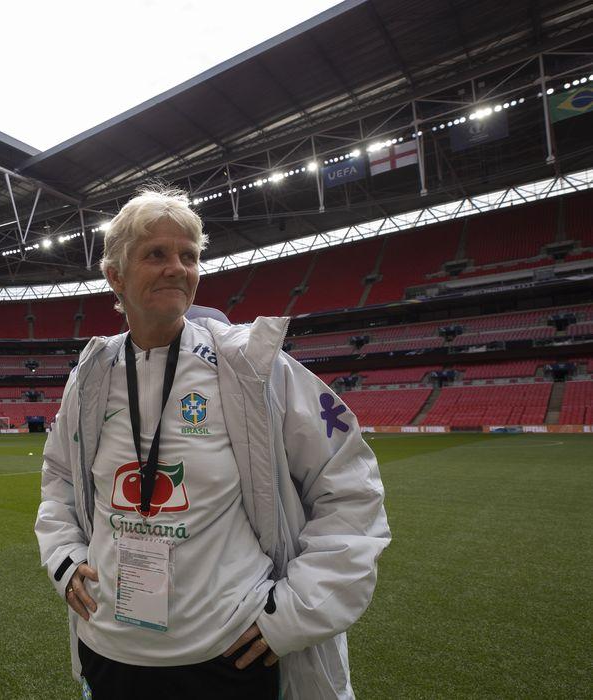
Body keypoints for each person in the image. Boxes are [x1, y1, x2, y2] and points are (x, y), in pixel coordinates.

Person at [35, 188, 390, 699]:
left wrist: (290, 616)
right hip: (110, 649)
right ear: (115, 275)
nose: (177, 268)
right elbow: (59, 478)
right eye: (156, 254)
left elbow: (350, 489)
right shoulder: (89, 377)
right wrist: (64, 559)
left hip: (228, 654)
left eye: (189, 255)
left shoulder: (253, 369)